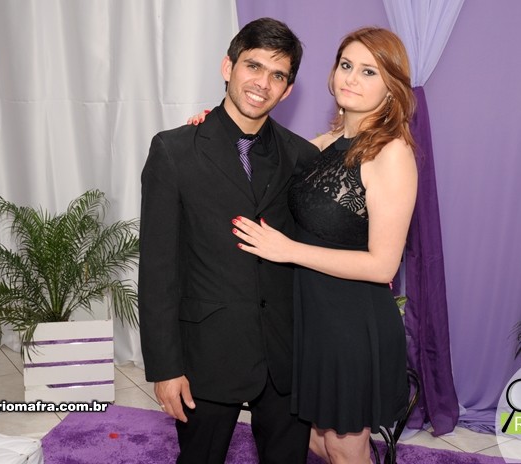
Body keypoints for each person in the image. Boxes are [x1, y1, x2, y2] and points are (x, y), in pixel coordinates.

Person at [229, 27, 418, 463]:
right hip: (312, 318)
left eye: (369, 71)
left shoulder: (391, 153)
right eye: (346, 65)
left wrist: (288, 250)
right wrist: (213, 123)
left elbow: (383, 265)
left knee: (344, 448)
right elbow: (257, 144)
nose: (351, 78)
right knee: (315, 440)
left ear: (391, 87)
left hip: (351, 323)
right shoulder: (323, 144)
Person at [138, 17, 319, 464]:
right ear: (228, 67)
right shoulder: (174, 151)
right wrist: (165, 368)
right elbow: (158, 271)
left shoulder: (302, 156)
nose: (263, 83)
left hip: (285, 357)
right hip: (207, 355)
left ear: (288, 90)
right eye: (253, 66)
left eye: (278, 75)